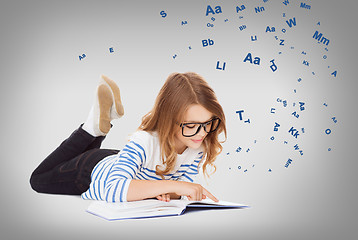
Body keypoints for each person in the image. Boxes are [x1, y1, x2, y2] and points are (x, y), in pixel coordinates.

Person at [30, 72, 226, 203]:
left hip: (121, 160)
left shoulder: (197, 146)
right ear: (168, 120)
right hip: (92, 171)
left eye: (208, 123)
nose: (202, 133)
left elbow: (180, 193)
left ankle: (97, 128)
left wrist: (167, 190)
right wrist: (169, 186)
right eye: (191, 126)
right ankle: (91, 129)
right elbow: (113, 189)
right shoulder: (144, 141)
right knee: (38, 179)